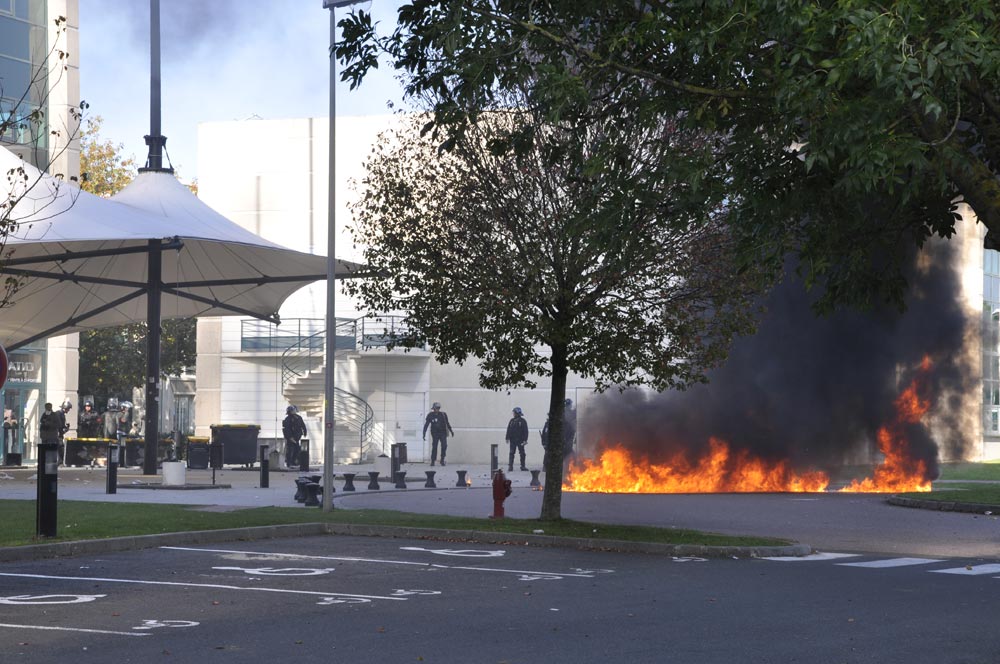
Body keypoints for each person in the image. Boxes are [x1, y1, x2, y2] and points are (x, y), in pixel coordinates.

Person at [422, 402, 454, 467]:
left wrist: (451, 431)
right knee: (434, 447)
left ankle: (442, 459)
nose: (436, 409)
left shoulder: (443, 414)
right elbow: (426, 424)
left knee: (444, 446)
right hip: (435, 433)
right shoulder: (430, 415)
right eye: (435, 408)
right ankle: (433, 460)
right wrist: (424, 433)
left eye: (437, 408)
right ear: (433, 409)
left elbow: (447, 423)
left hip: (443, 433)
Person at [505, 406, 529, 471]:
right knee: (511, 453)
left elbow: (525, 431)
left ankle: (523, 466)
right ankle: (510, 466)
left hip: (520, 440)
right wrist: (507, 438)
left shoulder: (523, 421)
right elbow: (508, 429)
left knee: (522, 453)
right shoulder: (511, 421)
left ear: (517, 413)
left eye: (514, 413)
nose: (513, 414)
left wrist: (525, 440)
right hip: (512, 440)